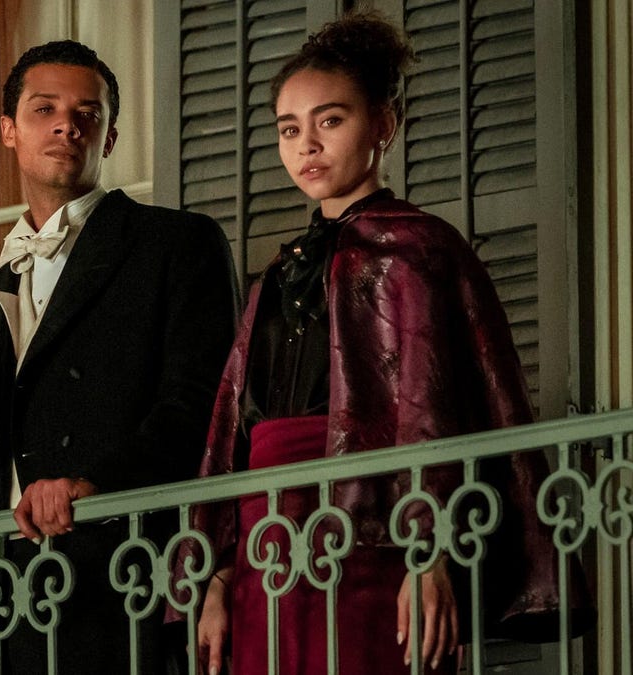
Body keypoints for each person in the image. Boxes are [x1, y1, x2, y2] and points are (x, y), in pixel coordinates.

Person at [179, 11, 590, 675]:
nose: (306, 145)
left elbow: (434, 415)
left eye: (330, 120)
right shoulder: (275, 277)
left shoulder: (421, 250)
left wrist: (430, 556)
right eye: (289, 129)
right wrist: (218, 578)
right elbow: (232, 431)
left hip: (375, 543)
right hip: (267, 549)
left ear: (384, 126)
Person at [0, 40, 237, 674]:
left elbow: (198, 405)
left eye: (88, 114)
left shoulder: (174, 244)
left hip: (127, 572)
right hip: (2, 596)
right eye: (45, 109)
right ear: (8, 129)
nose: (69, 124)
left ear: (110, 138)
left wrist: (93, 485)